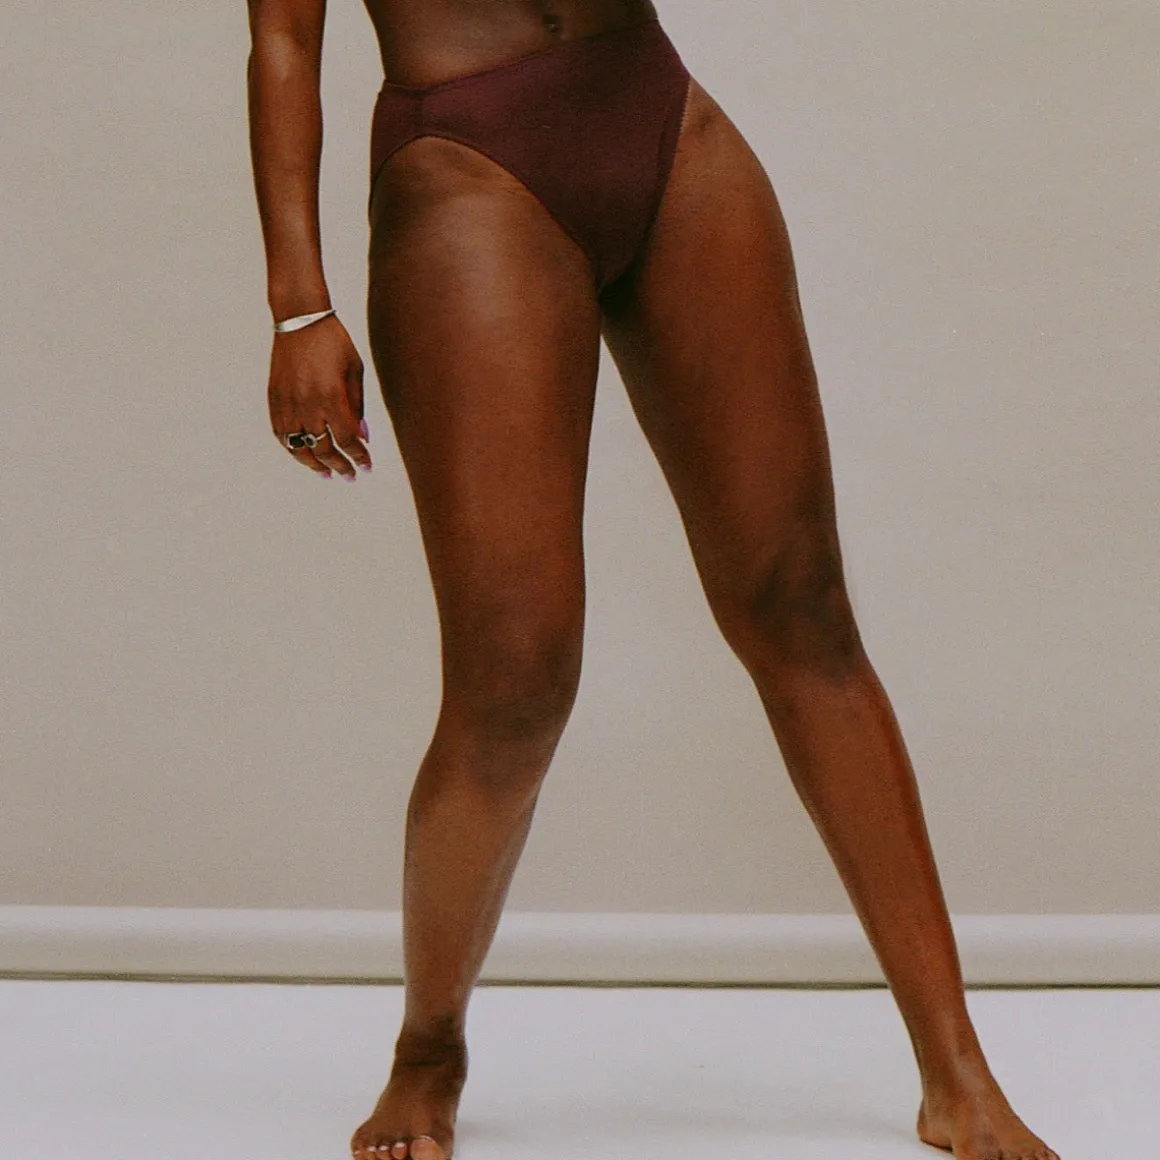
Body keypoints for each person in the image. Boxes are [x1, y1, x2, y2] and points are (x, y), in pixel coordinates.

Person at [245, 2, 1060, 1159]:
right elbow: (283, 38)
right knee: (514, 685)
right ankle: (428, 1043)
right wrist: (299, 303)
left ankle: (955, 1073)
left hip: (658, 116)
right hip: (465, 162)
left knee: (802, 609)